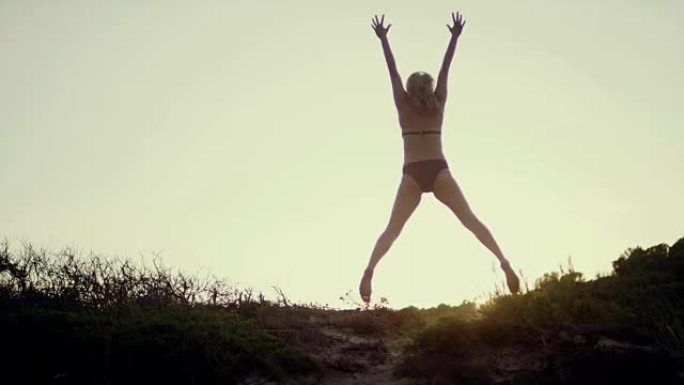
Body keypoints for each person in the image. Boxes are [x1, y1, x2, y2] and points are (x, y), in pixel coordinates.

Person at [359, 12, 520, 303]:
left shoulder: (402, 104)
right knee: (470, 219)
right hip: (438, 168)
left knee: (392, 230)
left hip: (412, 172)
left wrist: (384, 40)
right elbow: (446, 68)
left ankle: (370, 269)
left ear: (409, 88)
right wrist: (454, 37)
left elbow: (392, 71)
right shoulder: (438, 101)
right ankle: (504, 262)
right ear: (430, 87)